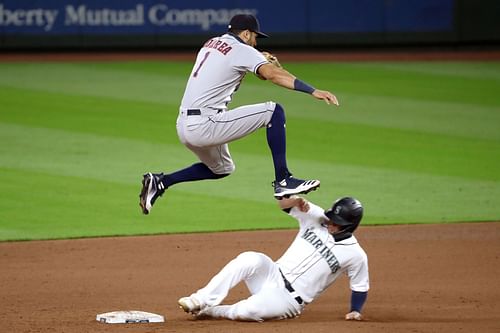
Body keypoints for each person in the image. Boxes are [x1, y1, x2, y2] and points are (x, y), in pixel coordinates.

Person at [139, 14, 339, 215]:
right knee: (273, 112)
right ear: (245, 33)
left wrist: (261, 62)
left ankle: (161, 182)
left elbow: (239, 70)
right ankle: (284, 180)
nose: (255, 42)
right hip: (206, 124)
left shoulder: (211, 43)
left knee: (223, 168)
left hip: (184, 125)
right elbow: (273, 76)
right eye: (254, 37)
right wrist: (314, 91)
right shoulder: (243, 50)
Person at [177, 195, 369, 322]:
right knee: (249, 258)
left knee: (248, 311)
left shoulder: (356, 255)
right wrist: (295, 199)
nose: (331, 223)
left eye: (338, 223)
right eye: (332, 218)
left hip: (289, 300)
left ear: (350, 226)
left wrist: (356, 310)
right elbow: (283, 204)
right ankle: (200, 300)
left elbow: (360, 286)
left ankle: (212, 312)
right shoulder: (317, 218)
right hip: (273, 273)